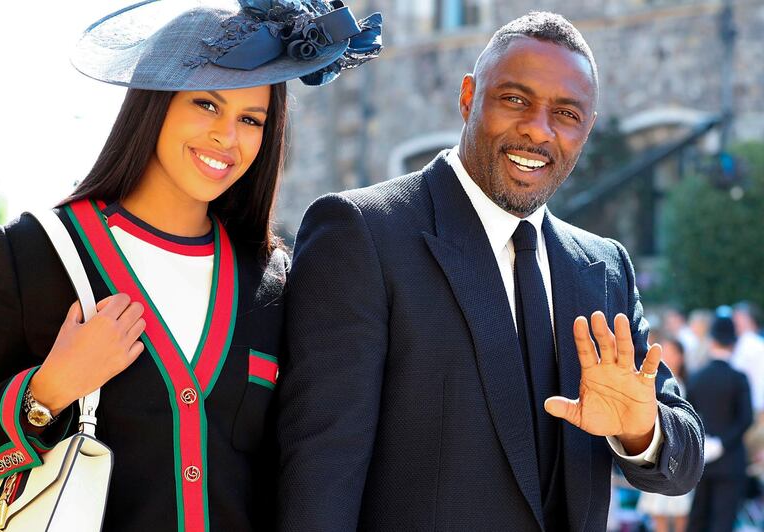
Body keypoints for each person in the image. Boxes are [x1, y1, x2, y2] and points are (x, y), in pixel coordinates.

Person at [278, 11, 703, 531]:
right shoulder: (364, 233)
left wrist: (640, 429)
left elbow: (682, 463)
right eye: (515, 100)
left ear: (586, 129)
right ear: (467, 98)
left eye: (566, 113)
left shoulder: (603, 268)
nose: (537, 130)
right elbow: (319, 478)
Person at [0, 1, 381, 530]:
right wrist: (47, 392)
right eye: (206, 105)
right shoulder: (35, 254)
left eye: (251, 119)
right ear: (156, 103)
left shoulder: (273, 281)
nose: (227, 138)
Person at [687, 308, 753, 532]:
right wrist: (723, 443)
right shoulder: (739, 379)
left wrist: (707, 442)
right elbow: (746, 419)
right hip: (731, 459)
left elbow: (689, 417)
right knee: (723, 523)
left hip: (702, 461)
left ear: (712, 340)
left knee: (698, 520)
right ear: (733, 343)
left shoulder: (697, 377)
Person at [636, 337, 693, 532]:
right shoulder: (653, 381)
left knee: (679, 512)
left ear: (681, 357)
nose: (667, 357)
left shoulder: (685, 384)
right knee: (657, 511)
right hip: (657, 450)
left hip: (678, 453)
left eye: (671, 352)